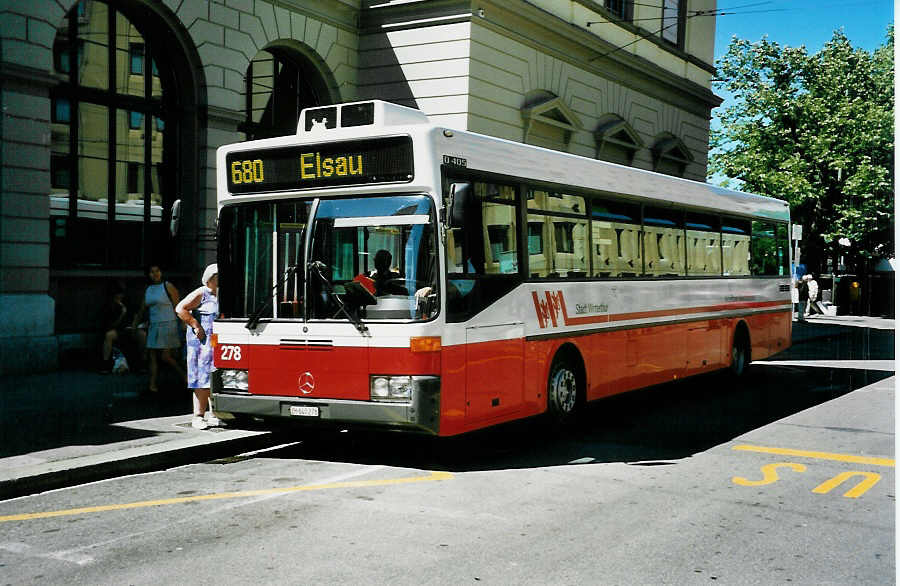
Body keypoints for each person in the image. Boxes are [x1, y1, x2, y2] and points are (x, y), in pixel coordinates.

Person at [176, 264, 219, 430]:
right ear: (209, 279)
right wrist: (195, 324)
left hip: (214, 339)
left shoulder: (221, 293)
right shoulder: (202, 293)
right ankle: (198, 415)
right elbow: (180, 308)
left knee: (214, 374)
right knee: (201, 376)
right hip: (201, 341)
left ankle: (214, 413)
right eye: (216, 276)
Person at [133, 264, 186, 393]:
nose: (155, 274)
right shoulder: (148, 289)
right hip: (154, 325)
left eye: (157, 271)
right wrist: (135, 323)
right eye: (152, 272)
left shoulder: (167, 286)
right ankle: (152, 384)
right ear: (148, 274)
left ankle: (185, 376)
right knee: (152, 356)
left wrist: (183, 322)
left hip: (168, 324)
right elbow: (142, 309)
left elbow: (178, 305)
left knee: (165, 356)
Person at [99, 281, 128, 373]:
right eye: (117, 295)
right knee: (109, 335)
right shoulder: (108, 307)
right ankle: (105, 364)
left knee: (142, 335)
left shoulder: (126, 302)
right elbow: (111, 326)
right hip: (116, 330)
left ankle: (143, 364)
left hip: (128, 329)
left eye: (121, 294)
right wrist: (122, 314)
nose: (120, 297)